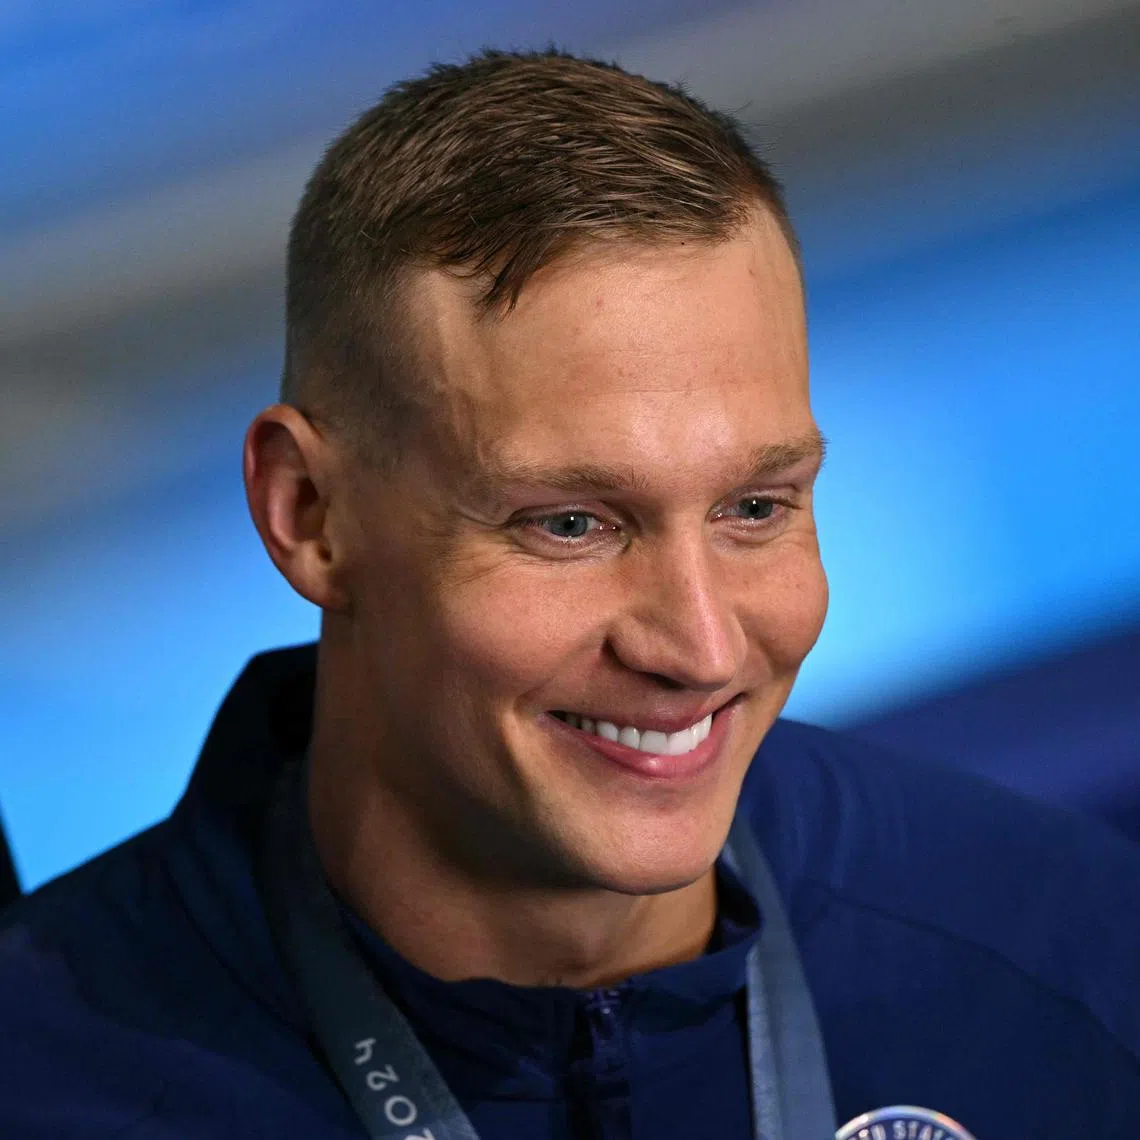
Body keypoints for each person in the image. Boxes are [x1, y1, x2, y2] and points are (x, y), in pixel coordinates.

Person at [3, 48, 1140, 1140]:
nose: (697, 645)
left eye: (755, 507)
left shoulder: (1062, 953)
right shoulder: (47, 1087)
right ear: (309, 513)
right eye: (571, 524)